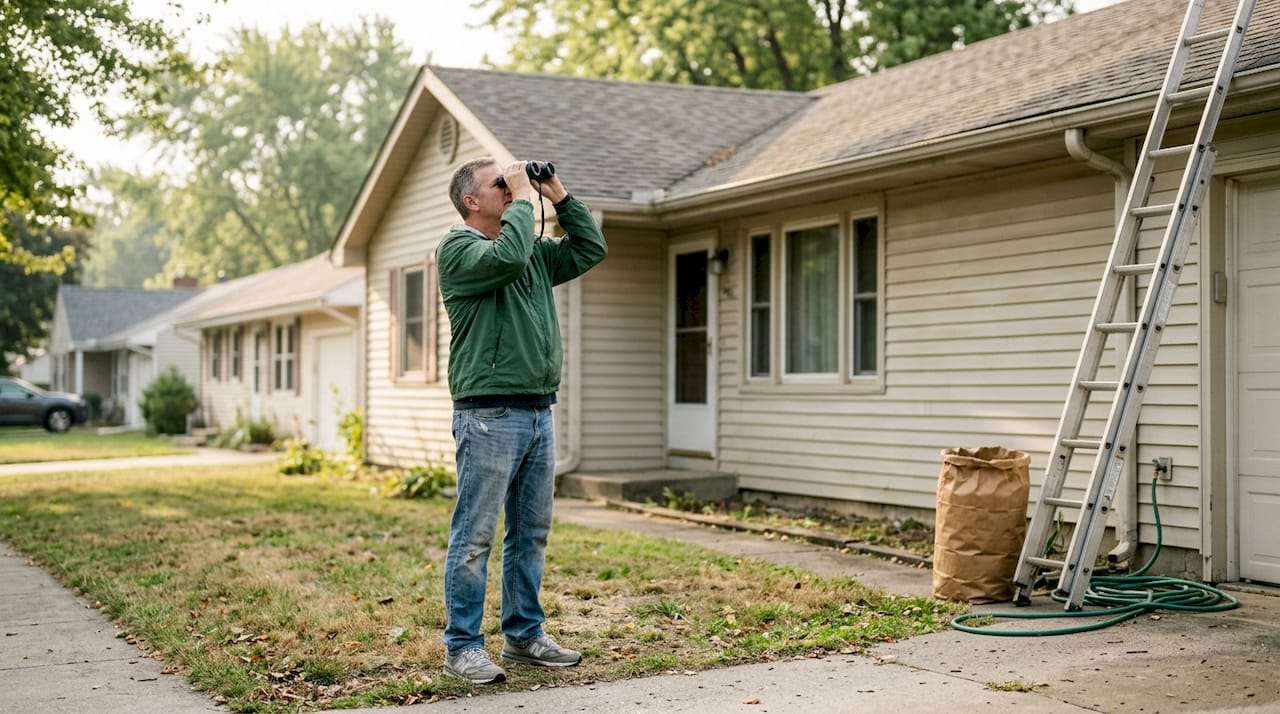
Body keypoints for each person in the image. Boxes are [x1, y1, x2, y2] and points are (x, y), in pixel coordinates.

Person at [435, 157, 607, 684]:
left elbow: (589, 249)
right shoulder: (458, 249)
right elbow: (508, 257)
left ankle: (524, 636)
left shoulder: (528, 249)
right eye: (498, 184)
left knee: (530, 533)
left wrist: (557, 194)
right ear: (471, 200)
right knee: (476, 536)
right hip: (489, 413)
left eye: (510, 182)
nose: (510, 189)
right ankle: (462, 646)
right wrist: (523, 201)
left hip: (537, 409)